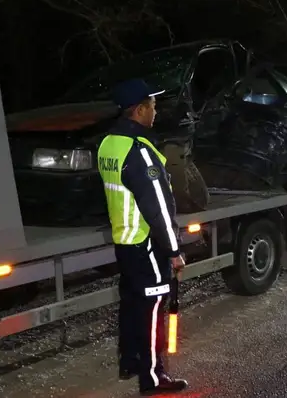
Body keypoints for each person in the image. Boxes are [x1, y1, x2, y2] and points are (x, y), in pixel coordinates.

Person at [97, 78, 189, 395]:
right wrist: (174, 249)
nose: (155, 110)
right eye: (152, 105)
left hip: (124, 241)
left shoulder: (108, 143)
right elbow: (158, 208)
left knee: (133, 303)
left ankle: (131, 361)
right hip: (145, 242)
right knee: (152, 309)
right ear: (139, 110)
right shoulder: (140, 151)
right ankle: (152, 377)